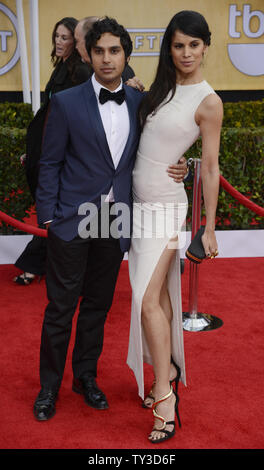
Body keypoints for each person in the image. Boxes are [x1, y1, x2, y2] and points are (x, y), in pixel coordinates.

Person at [32, 16, 188, 422]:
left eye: (114, 51)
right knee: (60, 307)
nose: (106, 58)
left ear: (126, 56)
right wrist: (48, 216)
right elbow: (48, 161)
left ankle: (85, 377)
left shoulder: (142, 103)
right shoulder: (66, 102)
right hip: (71, 218)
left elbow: (160, 149)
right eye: (99, 50)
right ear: (89, 54)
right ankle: (48, 387)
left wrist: (182, 167)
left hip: (116, 218)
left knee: (98, 306)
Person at [127, 10, 223, 444]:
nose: (186, 53)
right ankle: (166, 367)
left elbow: (210, 167)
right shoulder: (159, 88)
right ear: (170, 47)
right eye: (179, 44)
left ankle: (165, 397)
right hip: (138, 205)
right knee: (160, 298)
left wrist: (209, 227)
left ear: (206, 47)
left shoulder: (209, 101)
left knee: (146, 298)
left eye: (194, 45)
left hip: (167, 208)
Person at [13, 17, 90, 285]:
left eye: (66, 37)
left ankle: (34, 265)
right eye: (57, 36)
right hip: (46, 152)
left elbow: (74, 121)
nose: (59, 41)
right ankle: (45, 266)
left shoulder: (80, 71)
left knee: (55, 213)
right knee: (53, 213)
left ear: (78, 42)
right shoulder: (62, 69)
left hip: (61, 157)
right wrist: (35, 151)